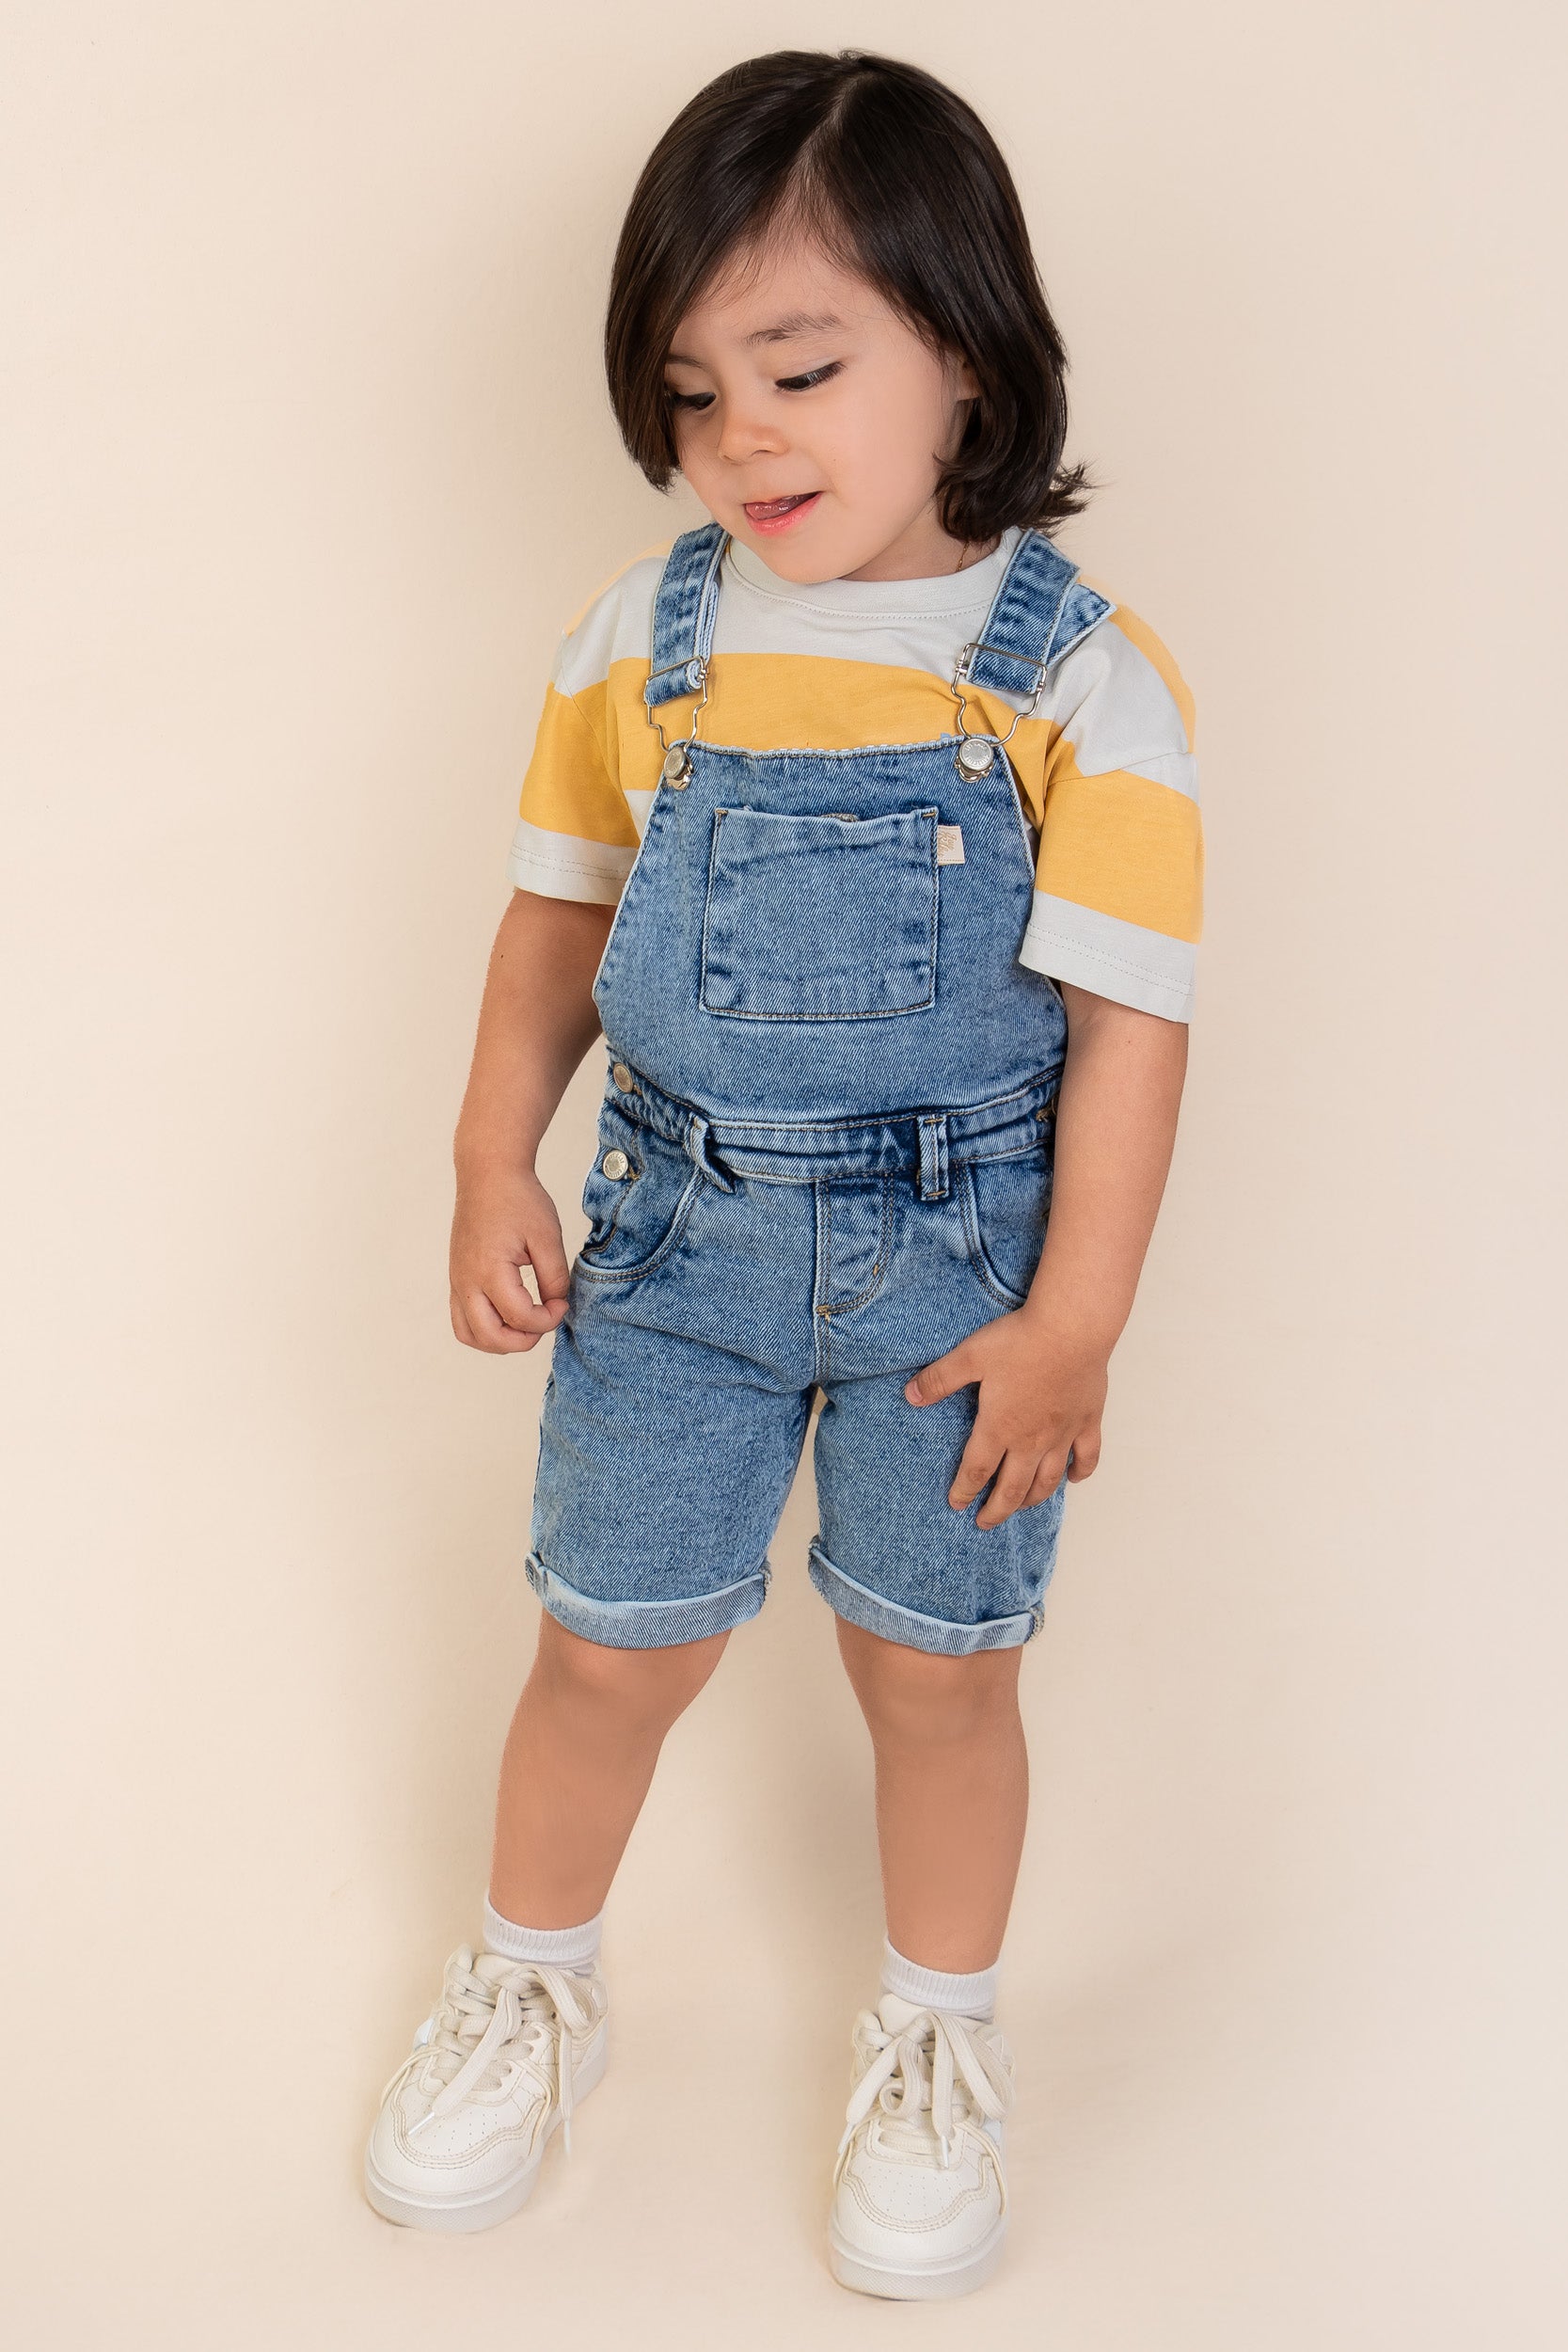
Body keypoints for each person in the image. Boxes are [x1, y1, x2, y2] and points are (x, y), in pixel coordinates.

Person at [363, 48, 1201, 2301]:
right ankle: (533, 1977)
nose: (744, 433)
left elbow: (1133, 1028)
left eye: (803, 367)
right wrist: (489, 1154)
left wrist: (1076, 1318)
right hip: (673, 1247)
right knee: (603, 1647)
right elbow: (556, 924)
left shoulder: (1082, 680)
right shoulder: (641, 644)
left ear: (969, 351)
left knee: (940, 1674)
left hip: (965, 1275)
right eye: (692, 388)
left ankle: (937, 2032)